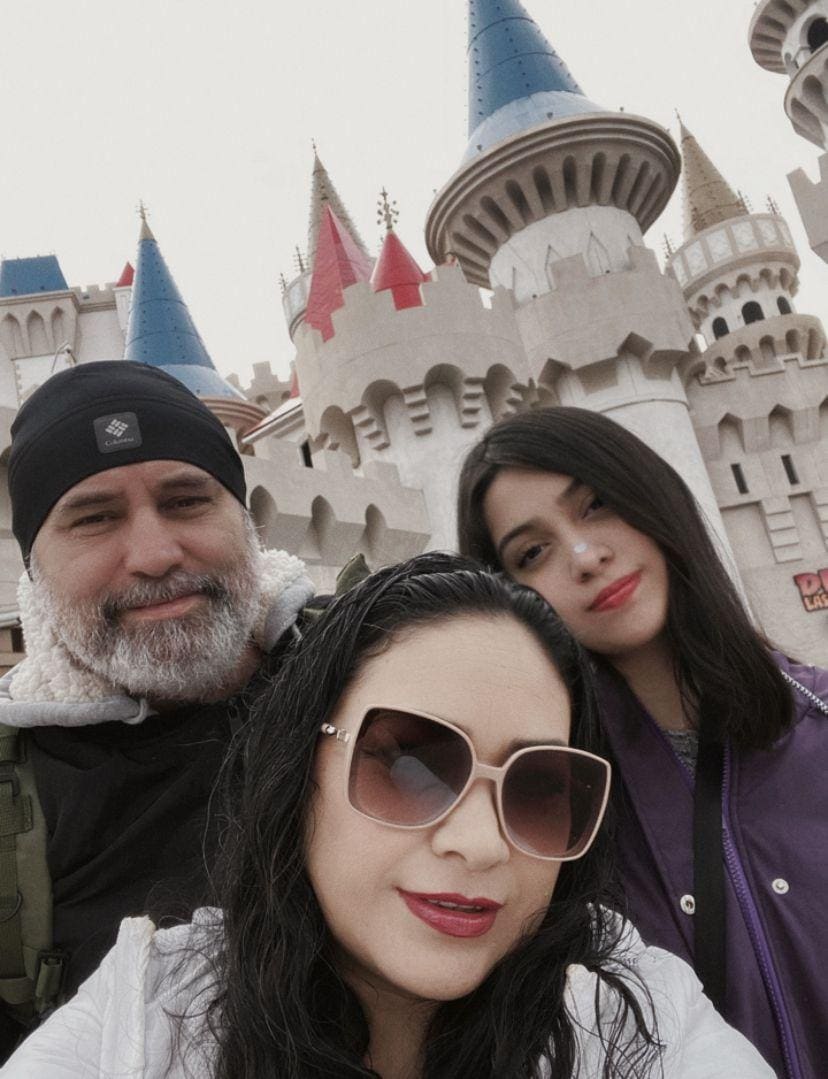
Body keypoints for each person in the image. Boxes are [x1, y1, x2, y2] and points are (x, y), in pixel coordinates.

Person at [0, 554, 773, 1077]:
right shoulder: (143, 1023)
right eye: (410, 761)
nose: (480, 844)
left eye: (540, 789)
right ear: (300, 766)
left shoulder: (637, 1016)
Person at [456, 406, 827, 1079]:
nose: (585, 557)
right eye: (533, 552)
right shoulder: (546, 817)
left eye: (597, 504)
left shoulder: (820, 720)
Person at [0, 361, 314, 1054]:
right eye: (94, 518)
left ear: (247, 522)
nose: (154, 555)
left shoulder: (377, 676)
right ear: (34, 570)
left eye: (187, 500)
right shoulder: (15, 801)